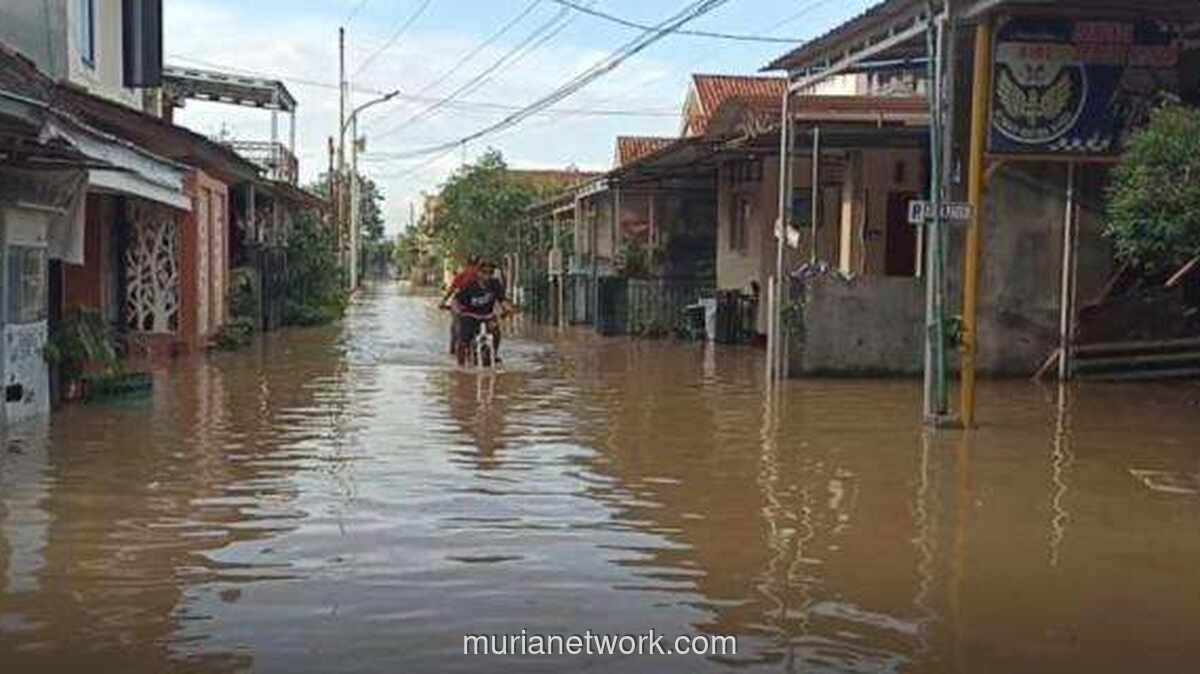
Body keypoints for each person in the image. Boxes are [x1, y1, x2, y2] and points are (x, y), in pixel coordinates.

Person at [452, 260, 512, 366]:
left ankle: (494, 354)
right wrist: (457, 312)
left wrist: (507, 309)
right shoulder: (469, 285)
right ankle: (460, 365)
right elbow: (456, 301)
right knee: (463, 341)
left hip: (487, 315)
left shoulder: (495, 283)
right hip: (470, 314)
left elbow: (502, 300)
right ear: (478, 272)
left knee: (496, 332)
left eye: (490, 272)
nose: (487, 275)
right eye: (484, 272)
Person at [440, 256, 481, 354]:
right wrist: (443, 301)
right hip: (464, 303)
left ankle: (456, 346)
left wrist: (443, 302)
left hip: (472, 303)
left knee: (458, 325)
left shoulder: (466, 275)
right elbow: (452, 290)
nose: (473, 270)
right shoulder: (464, 276)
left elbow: (451, 290)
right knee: (458, 323)